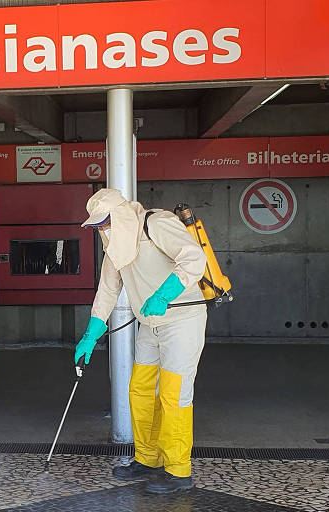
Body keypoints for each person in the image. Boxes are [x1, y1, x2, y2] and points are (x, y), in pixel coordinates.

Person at [76, 188, 207, 494]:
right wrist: (91, 333)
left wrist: (164, 294)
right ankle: (148, 459)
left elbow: (193, 258)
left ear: (120, 215)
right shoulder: (115, 245)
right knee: (141, 392)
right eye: (97, 227)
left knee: (173, 394)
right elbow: (107, 289)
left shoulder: (156, 223)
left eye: (104, 223)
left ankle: (178, 471)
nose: (101, 230)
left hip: (181, 320)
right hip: (149, 324)